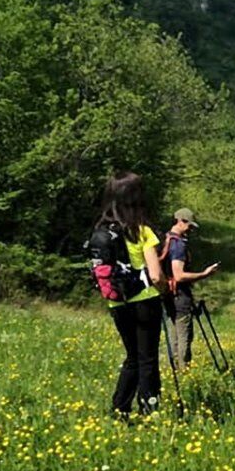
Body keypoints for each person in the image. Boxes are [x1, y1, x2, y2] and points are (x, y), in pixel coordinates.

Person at [94, 172, 166, 417]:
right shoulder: (142, 231)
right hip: (145, 301)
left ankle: (119, 408)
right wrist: (165, 291)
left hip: (117, 303)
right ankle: (150, 408)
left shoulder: (103, 230)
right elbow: (156, 276)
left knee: (132, 356)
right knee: (147, 358)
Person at [160, 207, 219, 367]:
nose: (191, 229)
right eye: (189, 226)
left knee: (174, 335)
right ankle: (183, 371)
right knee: (184, 335)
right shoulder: (178, 245)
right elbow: (179, 275)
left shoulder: (166, 239)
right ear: (181, 221)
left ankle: (173, 369)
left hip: (167, 294)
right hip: (180, 295)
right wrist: (204, 274)